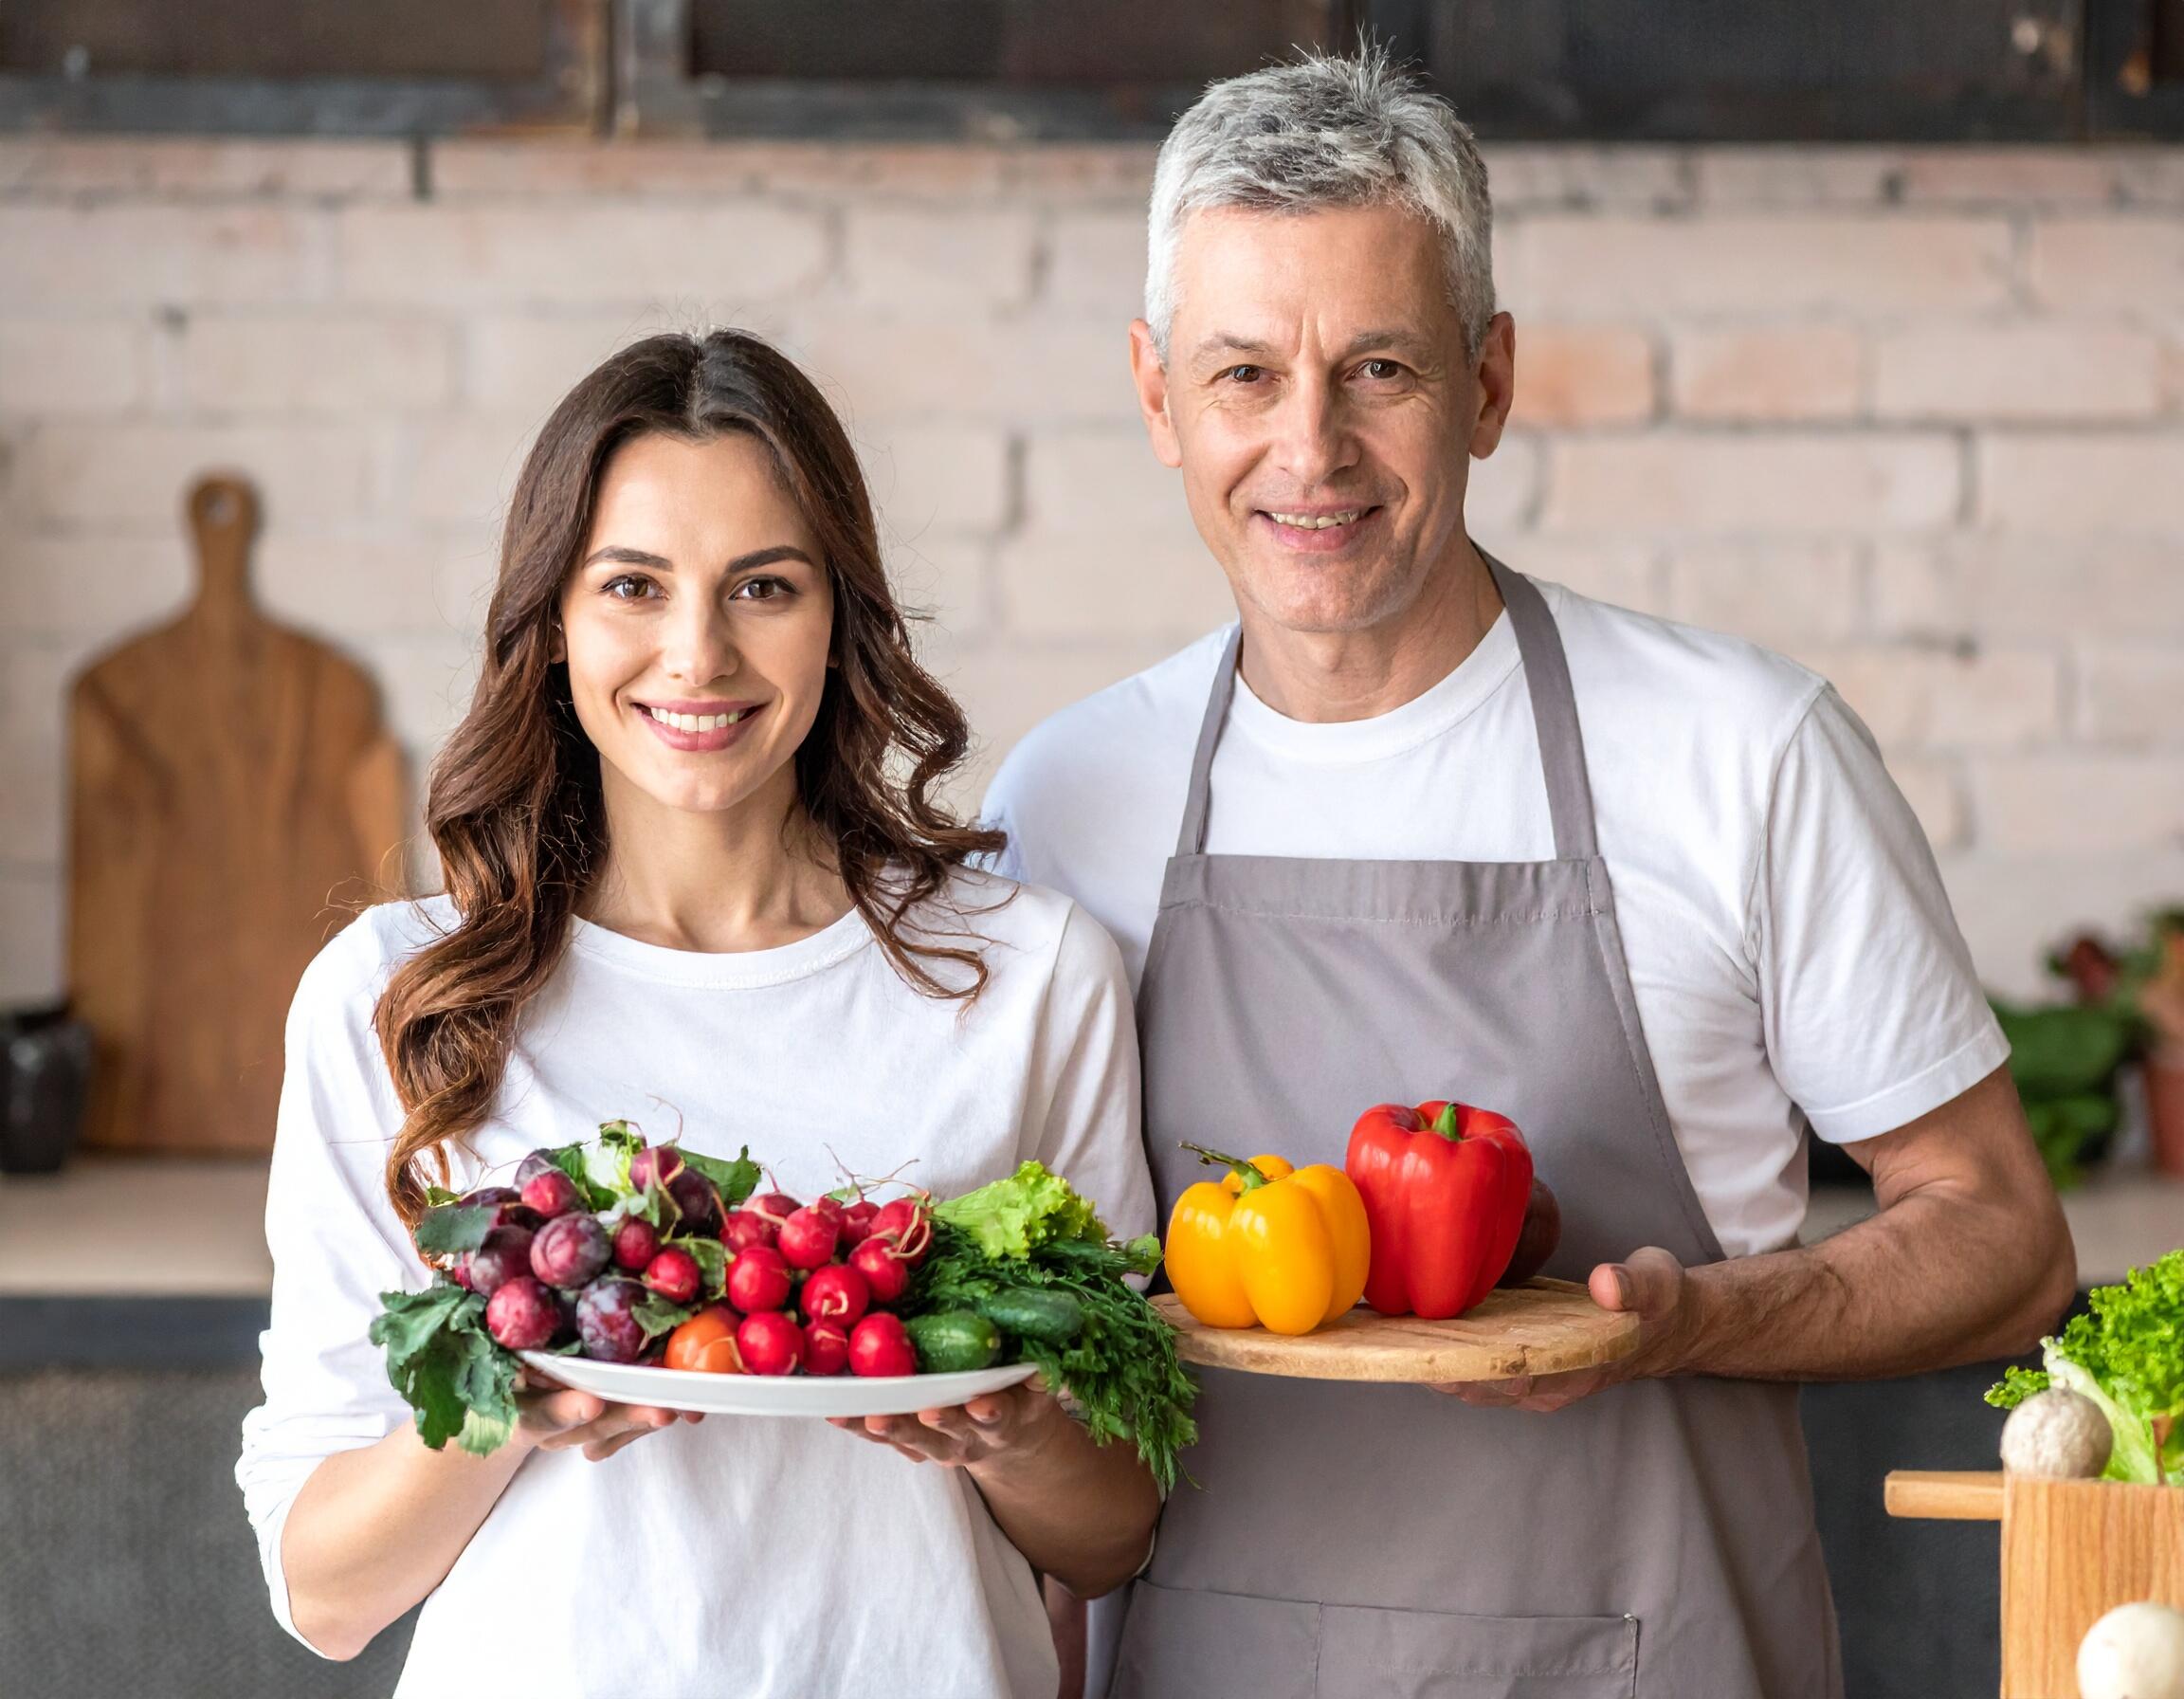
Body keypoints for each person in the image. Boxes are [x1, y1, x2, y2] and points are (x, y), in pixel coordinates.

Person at [984, 51, 2076, 1699]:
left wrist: (1697, 1322)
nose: (1312, 450)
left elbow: (2007, 1241)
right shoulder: (1069, 797)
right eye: (1241, 378)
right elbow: (1047, 1368)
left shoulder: (1742, 753)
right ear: (1154, 398)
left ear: (1489, 383)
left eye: (1381, 368)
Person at [235, 330, 1159, 1698]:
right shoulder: (398, 997)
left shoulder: (1029, 976)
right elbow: (323, 1590)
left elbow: (1117, 1536)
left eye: (764, 587)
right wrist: (508, 1404)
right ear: (554, 622)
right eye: (634, 586)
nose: (698, 653)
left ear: (840, 613)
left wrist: (1012, 1434)